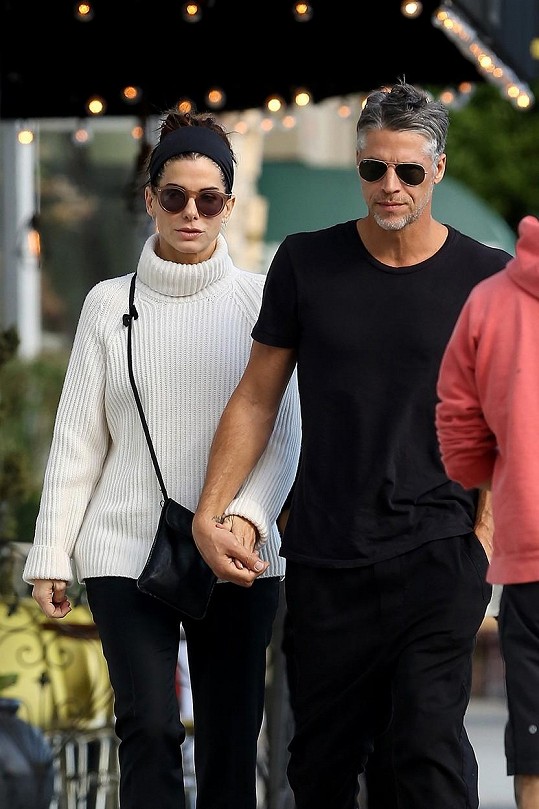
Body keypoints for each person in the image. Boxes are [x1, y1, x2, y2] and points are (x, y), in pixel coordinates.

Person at [191, 80, 513, 809]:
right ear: (357, 165)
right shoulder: (307, 261)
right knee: (322, 767)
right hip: (327, 556)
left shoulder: (485, 277)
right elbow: (256, 396)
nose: (389, 185)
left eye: (408, 170)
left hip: (439, 551)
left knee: (425, 753)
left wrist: (484, 539)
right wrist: (211, 510)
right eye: (374, 167)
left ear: (437, 168)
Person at [22, 108, 301, 809]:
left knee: (230, 740)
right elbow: (78, 441)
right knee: (147, 726)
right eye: (174, 196)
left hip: (235, 549)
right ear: (150, 198)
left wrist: (246, 517)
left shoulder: (261, 299)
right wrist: (52, 552)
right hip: (124, 544)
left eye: (209, 199)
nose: (191, 213)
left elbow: (285, 431)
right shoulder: (105, 305)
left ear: (228, 205)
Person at [436, 214, 539, 809]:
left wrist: (500, 483)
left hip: (530, 556)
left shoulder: (493, 298)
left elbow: (458, 420)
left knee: (534, 748)